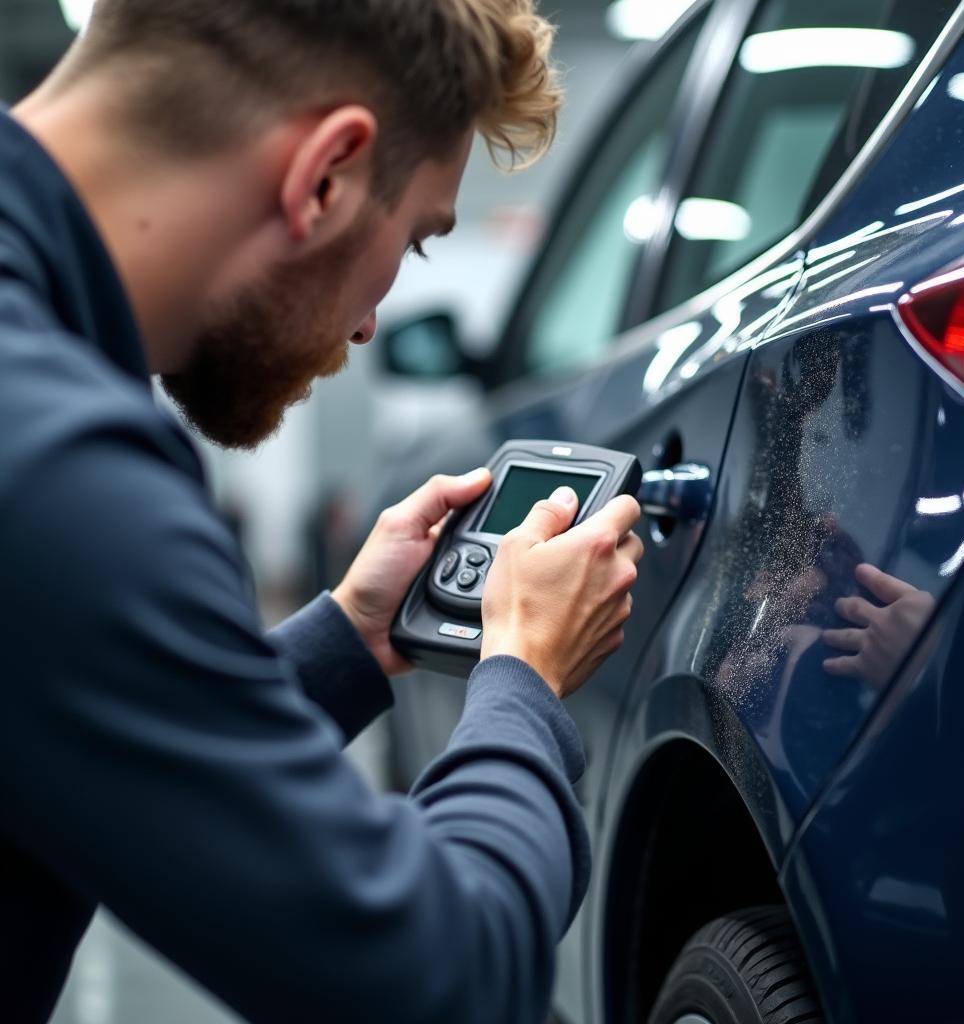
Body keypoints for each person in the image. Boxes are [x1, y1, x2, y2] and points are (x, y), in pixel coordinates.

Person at [0, 2, 644, 1022]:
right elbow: (442, 983)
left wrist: (349, 638)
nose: (369, 320)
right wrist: (521, 678)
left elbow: (126, 740)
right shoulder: (57, 460)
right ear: (329, 176)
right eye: (419, 242)